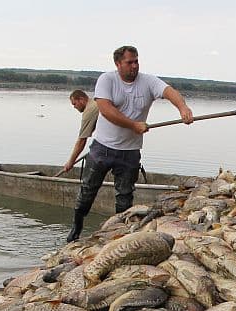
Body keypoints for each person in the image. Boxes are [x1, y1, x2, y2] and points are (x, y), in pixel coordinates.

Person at [66, 45, 194, 242]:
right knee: (88, 190)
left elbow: (169, 91)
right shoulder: (106, 80)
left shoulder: (148, 81)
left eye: (136, 61)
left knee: (125, 196)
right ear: (118, 64)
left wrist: (182, 107)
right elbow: (106, 110)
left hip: (130, 151)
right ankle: (76, 227)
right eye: (129, 62)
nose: (134, 66)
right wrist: (133, 125)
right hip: (102, 148)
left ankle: (119, 235)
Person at [61, 89, 99, 176]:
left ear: (81, 99)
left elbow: (81, 141)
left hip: (111, 145)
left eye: (74, 103)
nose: (74, 107)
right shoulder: (95, 103)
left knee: (92, 161)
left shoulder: (89, 110)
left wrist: (70, 162)